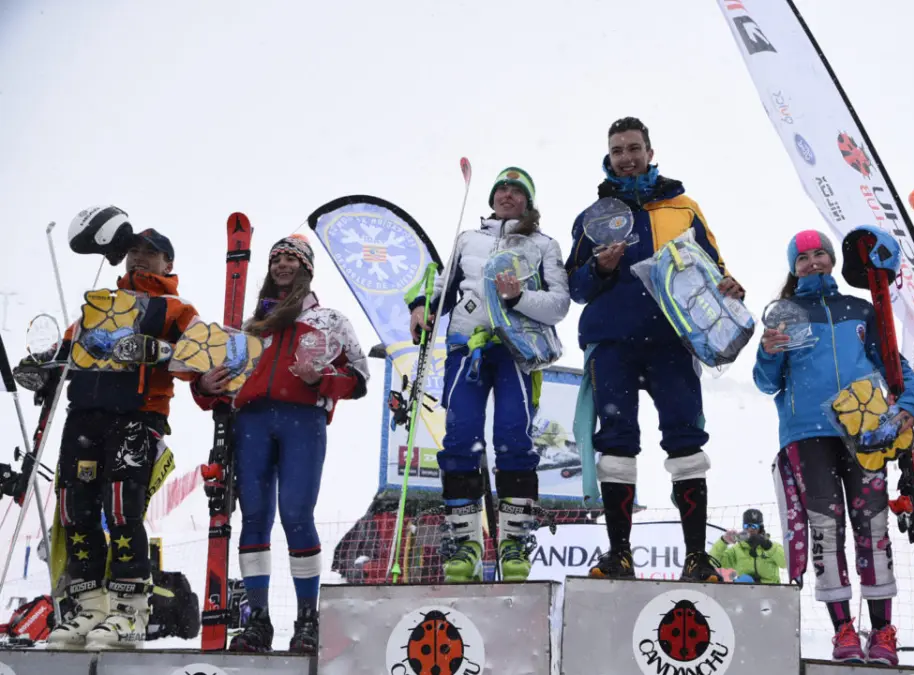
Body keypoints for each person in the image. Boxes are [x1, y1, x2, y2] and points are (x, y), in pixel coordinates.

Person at [566, 117, 743, 584]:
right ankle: (619, 555)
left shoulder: (684, 207)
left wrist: (730, 286)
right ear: (608, 156)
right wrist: (601, 269)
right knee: (616, 442)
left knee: (687, 441)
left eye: (634, 148)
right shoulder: (594, 216)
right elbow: (575, 288)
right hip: (613, 343)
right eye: (618, 150)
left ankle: (697, 557)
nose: (626, 157)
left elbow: (715, 269)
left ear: (650, 151)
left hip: (672, 342)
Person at [754, 229, 914, 666]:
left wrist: (910, 403)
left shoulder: (860, 308)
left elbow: (893, 363)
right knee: (825, 530)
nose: (813, 262)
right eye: (803, 258)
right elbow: (766, 382)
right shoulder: (785, 315)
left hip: (865, 432)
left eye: (819, 254)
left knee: (873, 527)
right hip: (806, 433)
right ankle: (843, 630)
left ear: (832, 260)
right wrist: (768, 352)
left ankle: (882, 631)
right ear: (793, 268)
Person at [194, 233, 368, 653]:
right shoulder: (250, 327)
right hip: (251, 423)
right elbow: (218, 387)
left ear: (307, 269)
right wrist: (203, 386)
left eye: (292, 260)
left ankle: (307, 621)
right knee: (254, 518)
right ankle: (258, 622)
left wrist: (321, 379)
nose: (282, 266)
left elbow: (359, 378)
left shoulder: (329, 319)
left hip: (302, 421)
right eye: (276, 260)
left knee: (296, 514)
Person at [408, 167, 569, 583]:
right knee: (460, 438)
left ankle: (514, 541)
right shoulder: (467, 239)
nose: (507, 195)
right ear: (491, 198)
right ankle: (466, 543)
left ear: (528, 202)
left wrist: (518, 296)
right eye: (502, 188)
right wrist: (422, 306)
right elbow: (442, 286)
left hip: (517, 349)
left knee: (514, 437)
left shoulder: (544, 244)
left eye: (517, 190)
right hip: (467, 348)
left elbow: (559, 305)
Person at [41, 228, 199, 648]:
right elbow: (65, 351)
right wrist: (41, 366)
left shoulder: (175, 308)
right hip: (83, 416)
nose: (139, 257)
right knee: (76, 510)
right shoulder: (101, 305)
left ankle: (130, 613)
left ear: (168, 263)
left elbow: (204, 357)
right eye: (132, 250)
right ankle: (90, 608)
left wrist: (162, 352)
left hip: (136, 416)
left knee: (122, 511)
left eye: (150, 252)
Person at [709, 509, 786, 584]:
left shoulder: (773, 547)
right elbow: (713, 562)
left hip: (770, 589)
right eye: (747, 525)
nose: (750, 529)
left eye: (754, 526)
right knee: (745, 579)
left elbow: (785, 563)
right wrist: (723, 541)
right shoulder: (737, 549)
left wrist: (769, 546)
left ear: (760, 528)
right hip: (745, 589)